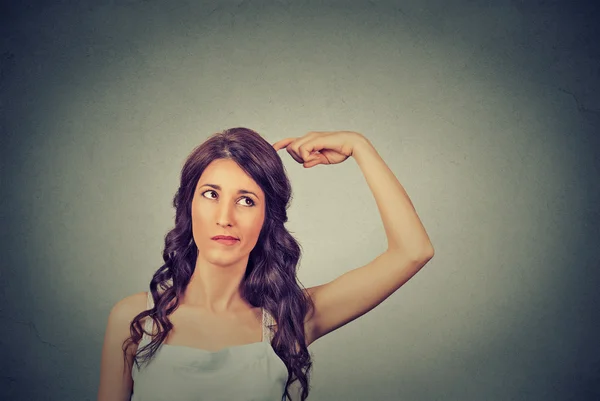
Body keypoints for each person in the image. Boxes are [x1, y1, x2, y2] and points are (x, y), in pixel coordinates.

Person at [97, 128, 434, 401]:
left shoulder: (289, 319)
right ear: (188, 205)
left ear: (266, 219)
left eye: (246, 200)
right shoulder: (134, 319)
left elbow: (413, 251)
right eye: (211, 194)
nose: (225, 218)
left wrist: (359, 146)